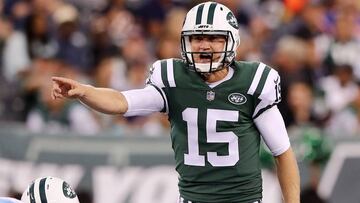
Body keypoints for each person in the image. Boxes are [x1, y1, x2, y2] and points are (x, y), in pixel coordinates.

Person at [51, 1, 300, 202]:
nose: (204, 45)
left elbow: (282, 153)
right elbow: (121, 102)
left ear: (232, 41)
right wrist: (85, 91)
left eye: (214, 38)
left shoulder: (253, 83)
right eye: (196, 38)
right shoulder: (173, 81)